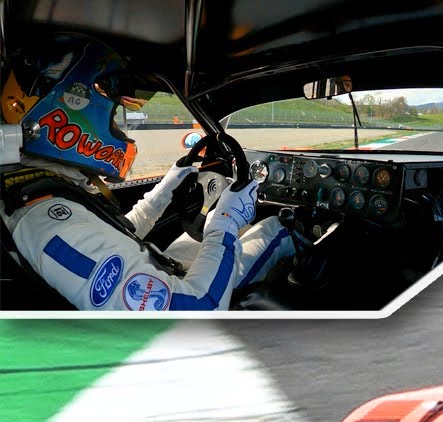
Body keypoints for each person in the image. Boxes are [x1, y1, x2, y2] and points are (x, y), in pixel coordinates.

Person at [0, 33, 295, 311]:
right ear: (70, 116)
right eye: (114, 115)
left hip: (160, 273)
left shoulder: (41, 199)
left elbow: (115, 235)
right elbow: (198, 308)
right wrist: (225, 223)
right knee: (277, 228)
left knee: (202, 239)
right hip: (189, 302)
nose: (117, 128)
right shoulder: (50, 226)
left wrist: (164, 189)